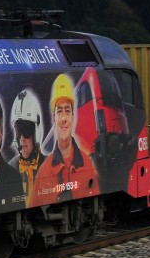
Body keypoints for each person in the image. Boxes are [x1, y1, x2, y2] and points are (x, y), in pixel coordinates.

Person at [30, 74, 100, 204]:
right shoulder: (44, 173)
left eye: (67, 111)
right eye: (59, 111)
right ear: (54, 117)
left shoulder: (87, 164)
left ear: (73, 117)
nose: (63, 119)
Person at [8, 88, 45, 199]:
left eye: (26, 130)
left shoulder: (49, 165)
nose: (22, 138)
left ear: (36, 133)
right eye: (19, 131)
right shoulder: (10, 169)